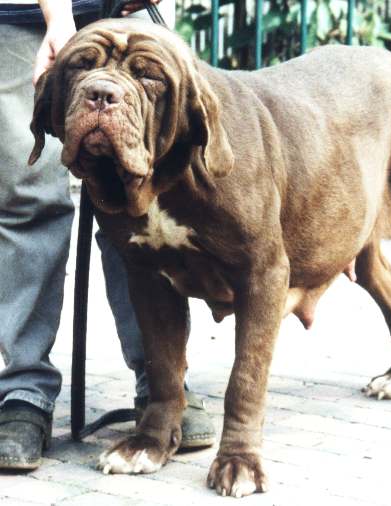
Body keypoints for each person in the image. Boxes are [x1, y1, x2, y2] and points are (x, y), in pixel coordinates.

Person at [0, 0, 215, 470]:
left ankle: (161, 384)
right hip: (18, 18)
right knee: (25, 200)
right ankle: (23, 390)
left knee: (143, 200)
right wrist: (58, 16)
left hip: (129, 11)